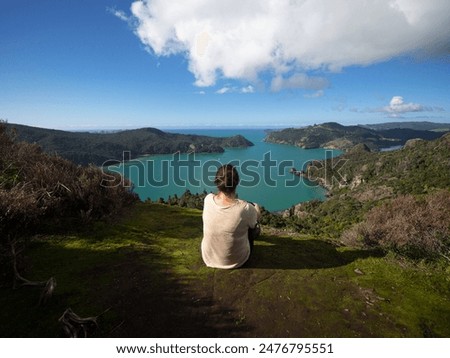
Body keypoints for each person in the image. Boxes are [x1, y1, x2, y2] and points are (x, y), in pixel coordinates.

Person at [201, 164, 261, 269]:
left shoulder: (208, 199)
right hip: (238, 261)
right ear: (236, 183)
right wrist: (257, 209)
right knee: (253, 227)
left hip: (208, 258)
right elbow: (256, 221)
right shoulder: (245, 208)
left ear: (217, 183)